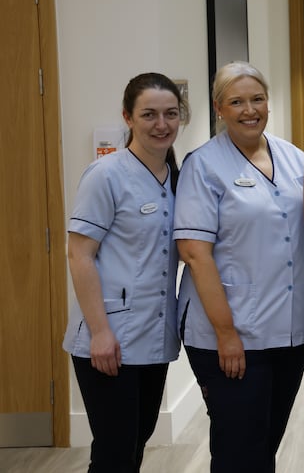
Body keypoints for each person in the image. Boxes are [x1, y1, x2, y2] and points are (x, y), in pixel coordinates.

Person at [173, 61, 304, 472]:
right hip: (230, 335)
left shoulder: (293, 157)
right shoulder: (203, 165)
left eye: (257, 99)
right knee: (241, 449)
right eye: (237, 101)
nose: (249, 109)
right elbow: (195, 254)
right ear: (219, 108)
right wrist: (226, 335)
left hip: (291, 330)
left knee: (264, 442)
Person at [63, 72, 188, 472]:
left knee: (135, 444)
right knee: (115, 451)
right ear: (127, 117)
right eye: (149, 114)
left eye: (170, 113)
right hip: (108, 339)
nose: (161, 124)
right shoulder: (106, 175)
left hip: (153, 338)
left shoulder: (174, 177)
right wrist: (100, 333)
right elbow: (79, 255)